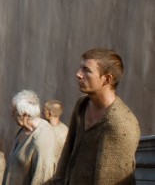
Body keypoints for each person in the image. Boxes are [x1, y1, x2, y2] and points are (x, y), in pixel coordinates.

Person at [52, 49, 140, 184]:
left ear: (107, 79)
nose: (78, 74)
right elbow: (66, 158)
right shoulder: (82, 105)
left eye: (86, 70)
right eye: (80, 68)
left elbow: (110, 181)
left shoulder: (120, 124)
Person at [3, 90, 56, 184]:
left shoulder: (42, 137)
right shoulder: (23, 130)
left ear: (24, 115)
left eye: (14, 112)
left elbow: (42, 177)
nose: (11, 115)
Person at [43, 99, 68, 165]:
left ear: (49, 114)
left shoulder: (46, 130)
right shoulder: (66, 130)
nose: (42, 112)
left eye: (44, 110)